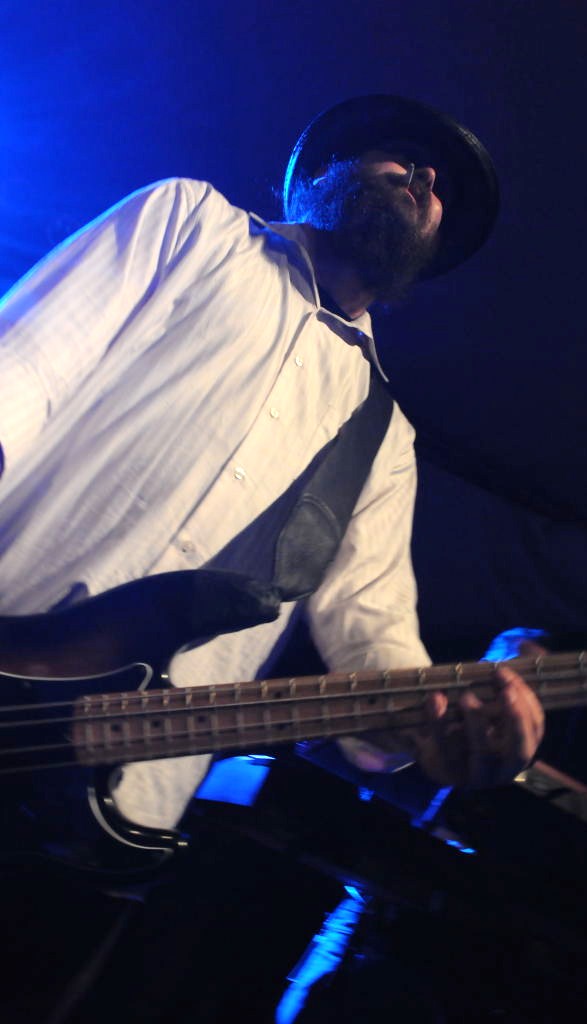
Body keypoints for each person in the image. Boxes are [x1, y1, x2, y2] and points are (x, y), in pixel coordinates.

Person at [0, 94, 544, 839]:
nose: (425, 178)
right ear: (322, 174)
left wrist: (437, 730)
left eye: (440, 186)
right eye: (406, 157)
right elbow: (21, 374)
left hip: (103, 818)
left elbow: (374, 640)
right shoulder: (191, 225)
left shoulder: (384, 439)